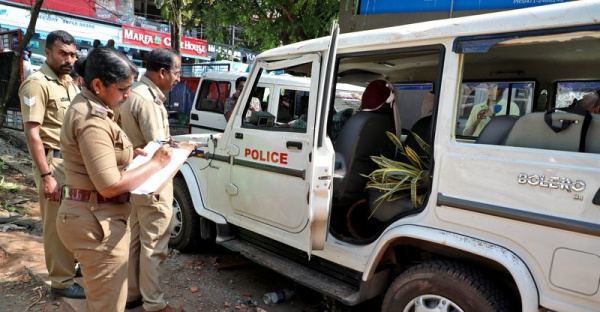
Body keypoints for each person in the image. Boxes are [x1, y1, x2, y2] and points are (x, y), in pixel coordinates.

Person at [56, 47, 172, 312]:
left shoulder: (93, 108)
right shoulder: (91, 119)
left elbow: (102, 161)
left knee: (105, 300)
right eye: (122, 89)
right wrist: (155, 163)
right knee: (108, 305)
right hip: (96, 222)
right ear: (98, 84)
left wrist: (132, 156)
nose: (127, 95)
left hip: (95, 217)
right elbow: (109, 186)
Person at [18, 30, 84, 299]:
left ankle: (71, 266)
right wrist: (46, 174)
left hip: (72, 161)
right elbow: (32, 133)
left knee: (74, 218)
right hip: (53, 162)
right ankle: (61, 280)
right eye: (63, 53)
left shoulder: (69, 82)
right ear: (47, 52)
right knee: (57, 223)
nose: (69, 59)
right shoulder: (37, 83)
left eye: (72, 54)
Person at [119, 48, 183, 312]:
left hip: (135, 179)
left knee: (136, 240)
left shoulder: (133, 93)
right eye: (177, 73)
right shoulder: (148, 101)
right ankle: (154, 304)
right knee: (154, 243)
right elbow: (159, 149)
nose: (178, 79)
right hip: (152, 181)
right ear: (162, 72)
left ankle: (133, 293)